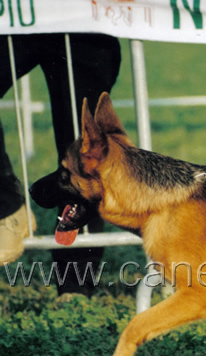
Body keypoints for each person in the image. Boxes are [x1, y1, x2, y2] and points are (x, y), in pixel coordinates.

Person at [0, 33, 121, 295]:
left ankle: (75, 287)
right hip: (17, 17)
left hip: (84, 24)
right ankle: (7, 204)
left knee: (82, 152)